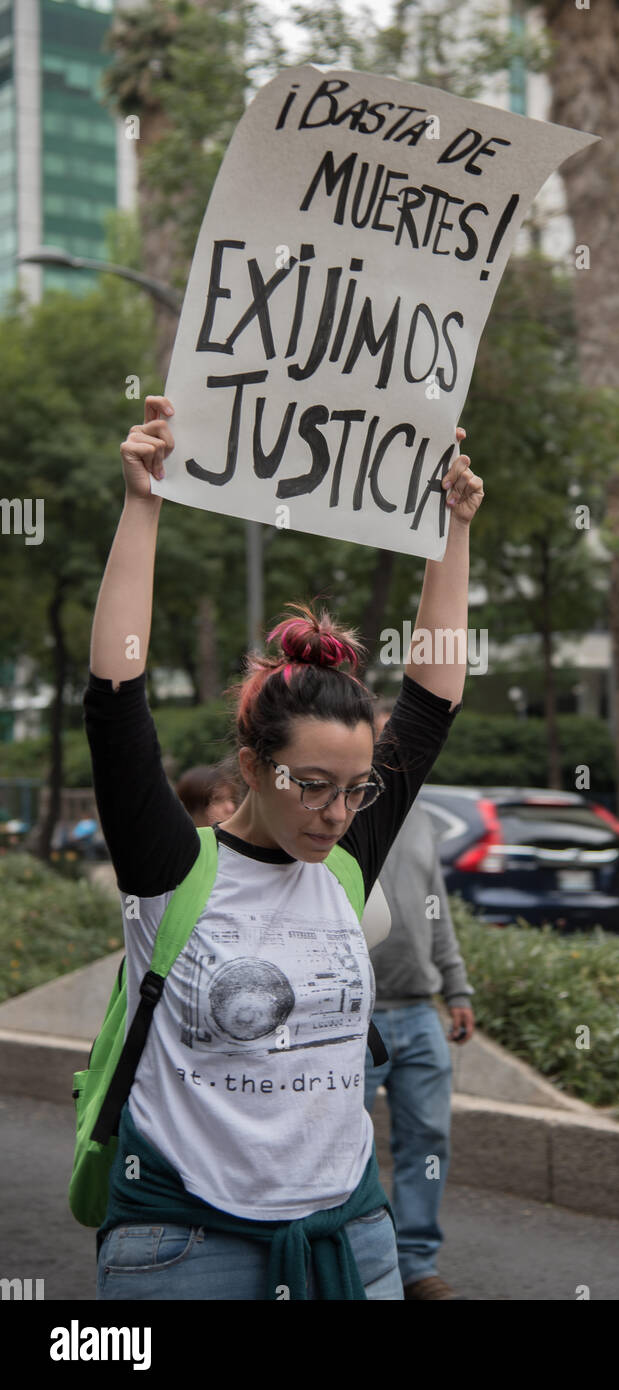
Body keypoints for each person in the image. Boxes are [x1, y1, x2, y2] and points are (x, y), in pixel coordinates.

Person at [85, 394, 483, 1300]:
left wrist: (451, 530)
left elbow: (431, 700)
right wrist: (143, 504)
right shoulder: (172, 869)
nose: (337, 813)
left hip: (352, 1238)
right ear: (252, 767)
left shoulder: (343, 861)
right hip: (186, 1247)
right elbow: (115, 698)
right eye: (311, 785)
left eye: (356, 789)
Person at [364, 699, 475, 1300]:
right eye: (385, 743)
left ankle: (415, 1267)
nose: (394, 755)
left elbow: (438, 913)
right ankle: (360, 1259)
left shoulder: (422, 818)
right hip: (352, 1020)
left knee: (427, 1142)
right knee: (341, 1148)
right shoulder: (341, 814)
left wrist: (456, 988)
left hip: (419, 1010)